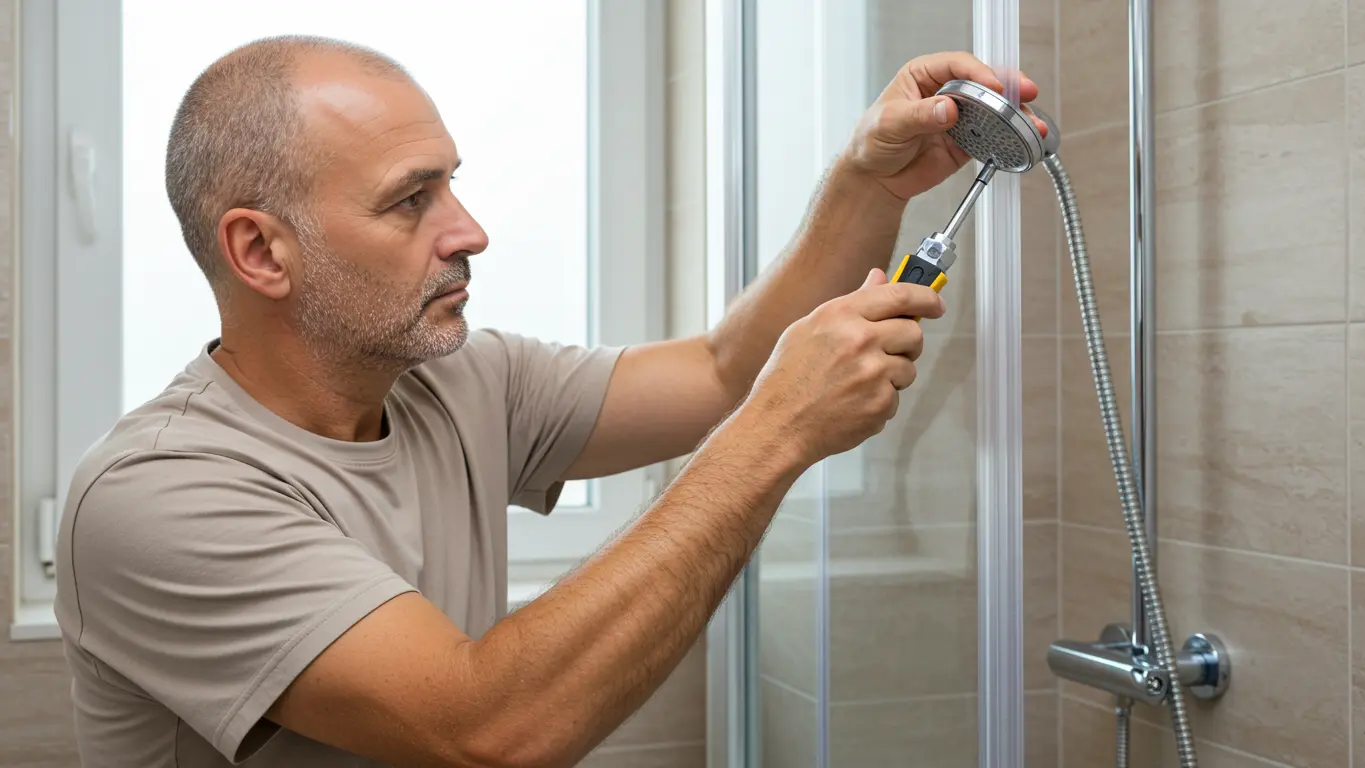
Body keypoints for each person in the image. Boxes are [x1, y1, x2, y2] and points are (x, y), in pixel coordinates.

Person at [52, 35, 1043, 768]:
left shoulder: (454, 382)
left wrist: (866, 182)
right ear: (260, 252)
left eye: (454, 186)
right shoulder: (157, 500)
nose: (469, 230)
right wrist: (777, 436)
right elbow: (485, 728)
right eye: (412, 200)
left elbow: (718, 373)